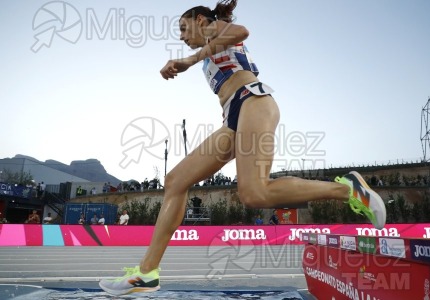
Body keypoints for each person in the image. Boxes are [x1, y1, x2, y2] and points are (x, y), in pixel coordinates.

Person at [99, 0, 386, 295]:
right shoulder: (212, 42)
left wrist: (190, 60)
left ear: (200, 20)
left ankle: (348, 189)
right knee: (176, 180)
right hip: (233, 115)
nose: (182, 37)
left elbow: (241, 31)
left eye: (184, 28)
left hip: (253, 100)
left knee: (255, 192)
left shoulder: (213, 28)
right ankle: (146, 274)